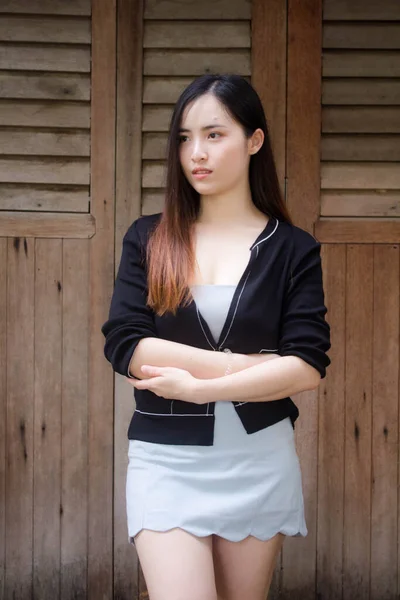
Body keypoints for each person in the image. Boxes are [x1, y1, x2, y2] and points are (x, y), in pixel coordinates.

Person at [101, 73, 331, 600]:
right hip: (166, 461)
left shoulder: (293, 248)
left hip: (259, 461)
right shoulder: (149, 236)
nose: (195, 153)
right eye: (184, 138)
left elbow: (308, 366)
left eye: (214, 134)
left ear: (255, 141)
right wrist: (257, 367)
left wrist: (207, 387)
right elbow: (130, 346)